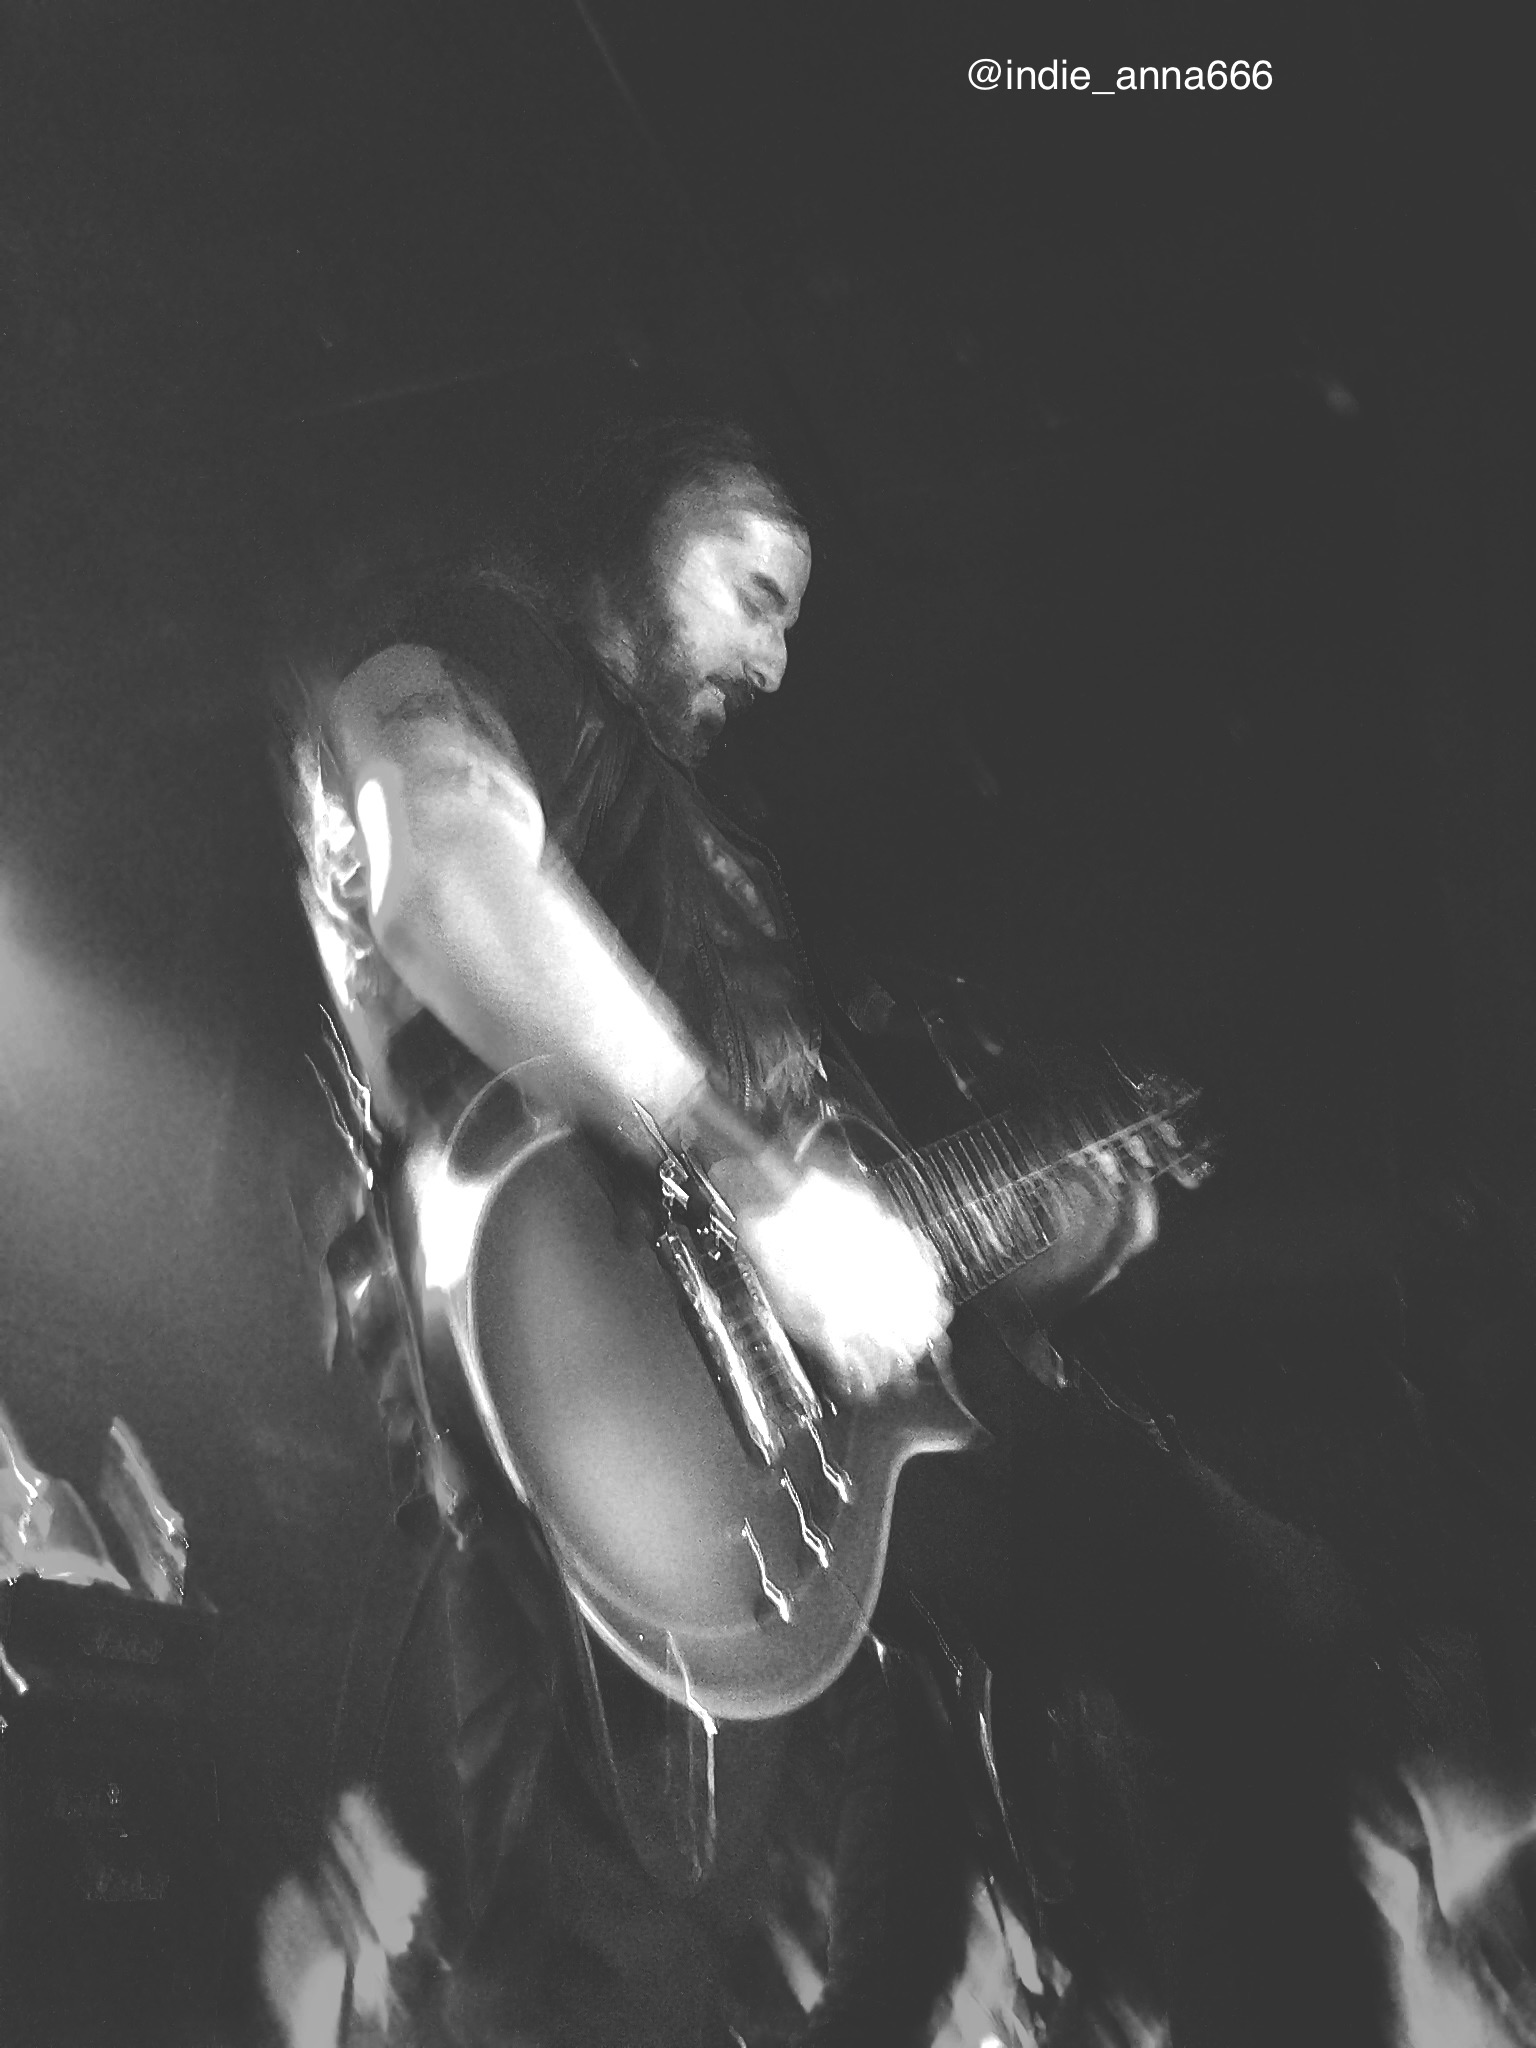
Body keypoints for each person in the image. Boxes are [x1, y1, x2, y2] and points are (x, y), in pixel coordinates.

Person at [287, 415, 1155, 2044]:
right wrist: (754, 1178)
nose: (775, 658)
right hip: (573, 1433)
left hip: (781, 1494)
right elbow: (449, 886)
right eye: (754, 592)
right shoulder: (471, 657)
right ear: (631, 523)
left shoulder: (724, 853)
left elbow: (842, 1220)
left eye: (794, 623)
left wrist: (1024, 1251)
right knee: (608, 1971)